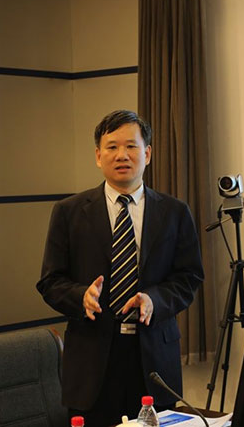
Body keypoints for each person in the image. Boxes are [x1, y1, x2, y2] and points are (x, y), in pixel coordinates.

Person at [36, 109, 204, 425]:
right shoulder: (69, 212)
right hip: (92, 361)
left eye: (131, 146)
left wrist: (154, 299)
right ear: (98, 156)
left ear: (147, 153)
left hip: (154, 360)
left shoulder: (175, 212)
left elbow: (189, 276)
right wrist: (80, 296)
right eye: (112, 147)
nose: (121, 155)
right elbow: (50, 281)